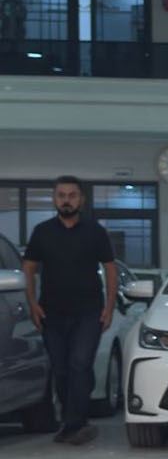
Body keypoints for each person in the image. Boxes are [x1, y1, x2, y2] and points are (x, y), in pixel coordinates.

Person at [22, 176, 117, 445]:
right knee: (62, 369)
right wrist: (32, 303)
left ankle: (74, 424)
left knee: (79, 364)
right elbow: (28, 267)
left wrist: (109, 307)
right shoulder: (42, 231)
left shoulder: (95, 231)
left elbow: (110, 268)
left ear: (81, 199)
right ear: (55, 199)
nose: (66, 200)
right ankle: (73, 419)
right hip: (52, 312)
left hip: (89, 312)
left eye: (72, 195)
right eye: (61, 195)